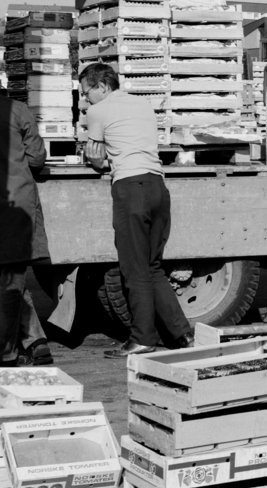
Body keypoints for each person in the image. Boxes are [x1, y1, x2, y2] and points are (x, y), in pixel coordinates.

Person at [78, 62, 192, 356]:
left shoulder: (96, 112)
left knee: (135, 270)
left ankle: (142, 338)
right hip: (158, 187)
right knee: (153, 267)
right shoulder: (143, 105)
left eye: (86, 92)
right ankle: (182, 334)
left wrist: (92, 158)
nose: (84, 99)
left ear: (101, 87)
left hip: (130, 189)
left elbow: (97, 158)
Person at [0, 69, 55, 367]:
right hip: (15, 205)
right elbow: (36, 158)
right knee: (13, 280)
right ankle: (4, 355)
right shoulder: (17, 109)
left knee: (7, 278)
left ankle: (36, 340)